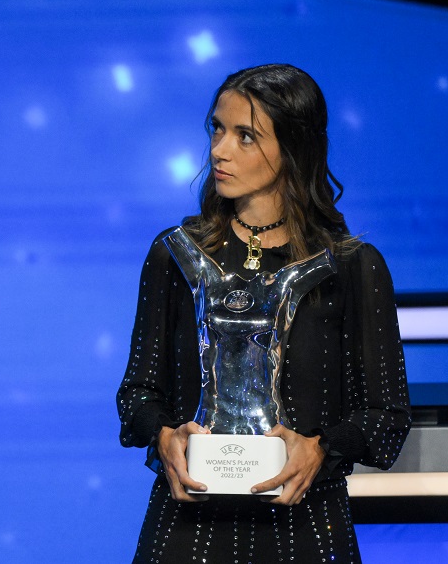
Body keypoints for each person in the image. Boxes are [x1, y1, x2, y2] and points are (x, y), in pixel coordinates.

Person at [117, 64, 411, 563]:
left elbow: (387, 415)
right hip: (188, 532)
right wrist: (165, 437)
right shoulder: (175, 254)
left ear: (294, 148)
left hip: (308, 529)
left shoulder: (351, 267)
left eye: (245, 136)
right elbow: (137, 393)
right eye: (217, 129)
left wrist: (320, 448)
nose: (219, 150)